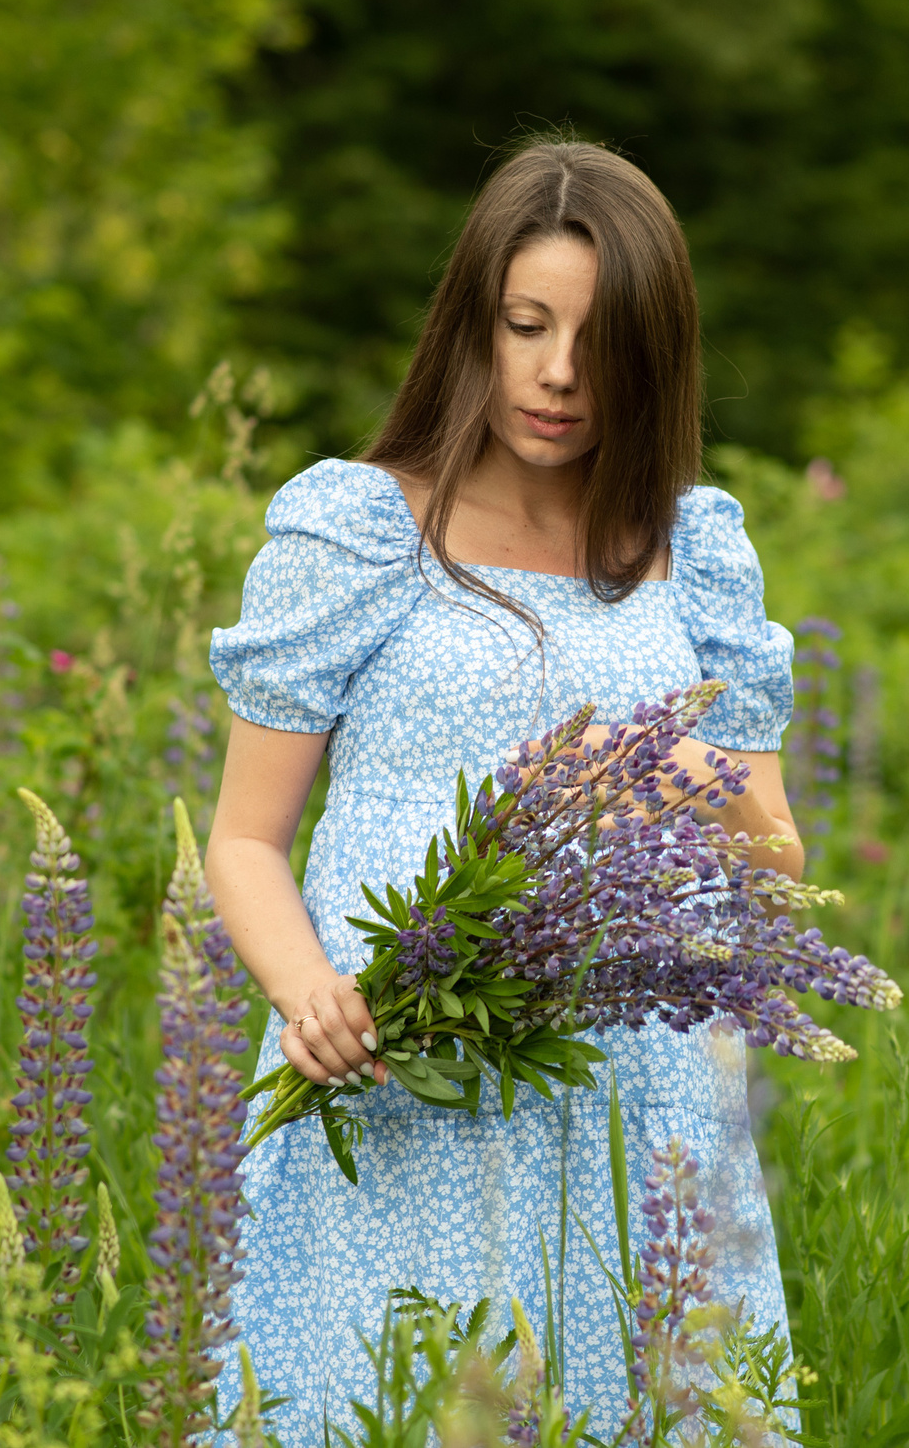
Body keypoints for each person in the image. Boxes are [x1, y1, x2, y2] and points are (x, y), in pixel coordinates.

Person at [203, 139, 804, 1425]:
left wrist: (689, 770)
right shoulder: (361, 528)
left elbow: (777, 866)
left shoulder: (694, 552)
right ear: (472, 320)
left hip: (635, 1088)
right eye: (528, 325)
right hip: (401, 1072)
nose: (559, 372)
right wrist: (310, 993)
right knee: (388, 1401)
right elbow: (244, 839)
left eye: (601, 340)